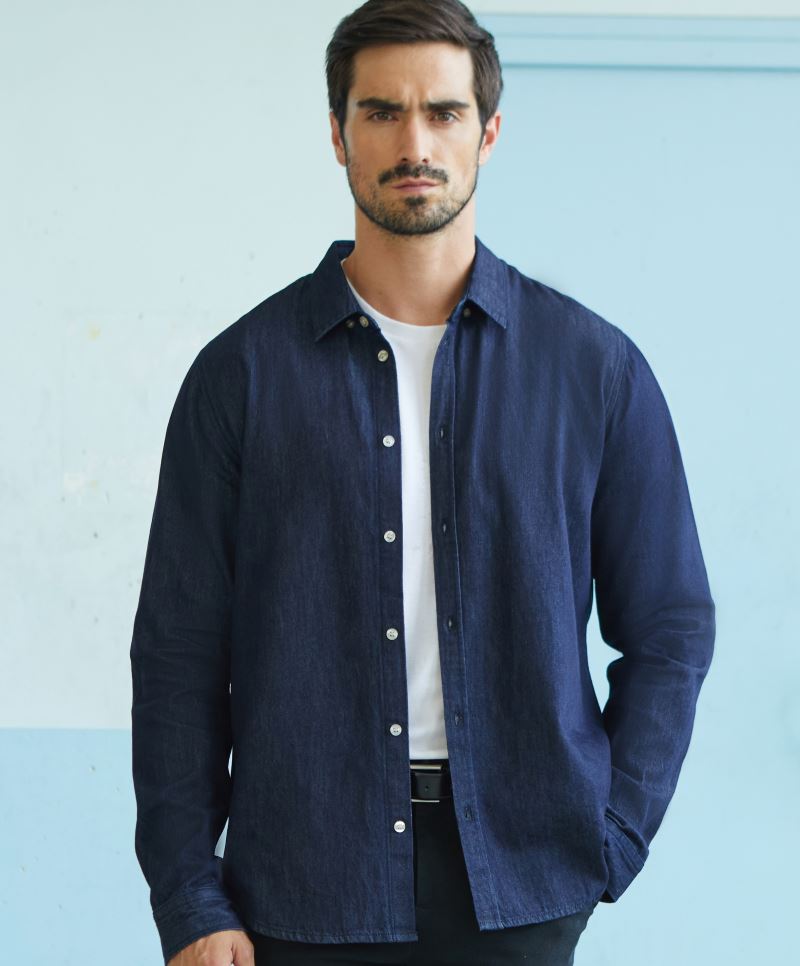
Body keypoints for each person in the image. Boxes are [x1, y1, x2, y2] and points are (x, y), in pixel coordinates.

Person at [129, 1, 716, 964]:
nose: (415, 144)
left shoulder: (592, 370)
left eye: (443, 112)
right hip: (301, 884)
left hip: (521, 884)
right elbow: (178, 655)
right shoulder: (242, 376)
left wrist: (614, 832)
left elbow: (671, 627)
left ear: (489, 132)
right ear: (337, 134)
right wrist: (191, 897)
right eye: (381, 112)